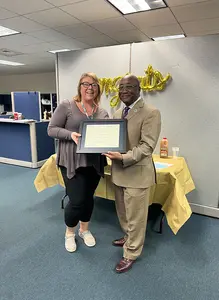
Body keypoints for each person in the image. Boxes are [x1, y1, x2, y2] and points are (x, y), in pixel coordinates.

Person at [104, 75, 161, 273]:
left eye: (129, 87)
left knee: (136, 216)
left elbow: (147, 147)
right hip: (119, 173)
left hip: (136, 174)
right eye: (121, 88)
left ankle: (131, 253)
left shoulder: (151, 112)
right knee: (123, 212)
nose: (124, 91)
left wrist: (122, 157)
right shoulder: (119, 112)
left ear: (139, 89)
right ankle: (128, 237)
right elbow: (114, 139)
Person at [48, 72, 108, 253]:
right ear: (80, 87)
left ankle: (84, 230)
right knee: (77, 200)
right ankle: (69, 233)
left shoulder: (102, 112)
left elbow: (106, 135)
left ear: (98, 89)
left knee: (88, 198)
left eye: (94, 85)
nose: (90, 88)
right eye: (86, 84)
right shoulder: (67, 106)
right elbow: (51, 129)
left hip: (94, 162)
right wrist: (70, 135)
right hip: (72, 161)